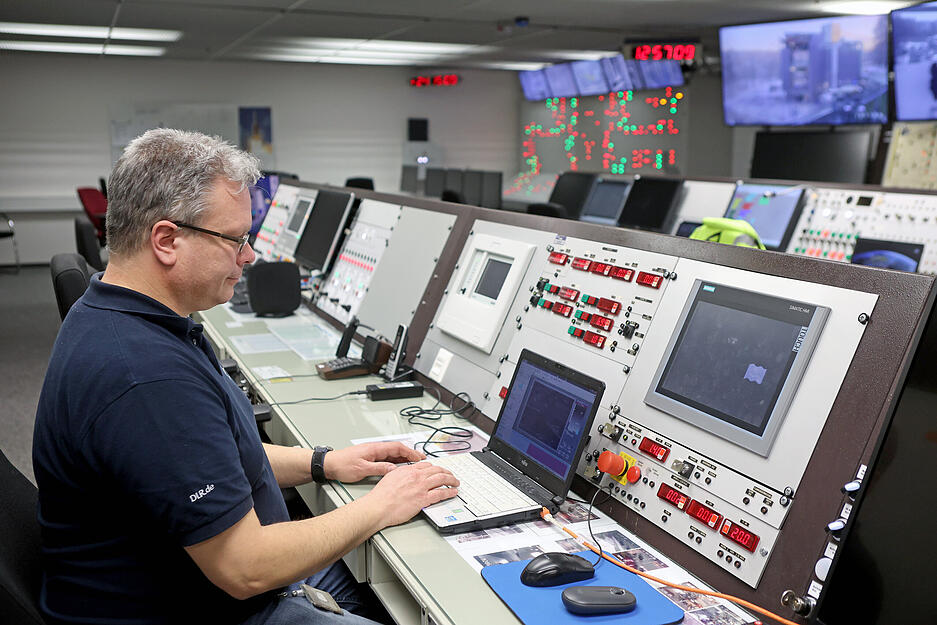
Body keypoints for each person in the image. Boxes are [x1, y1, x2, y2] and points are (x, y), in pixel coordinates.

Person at [32, 128, 460, 625]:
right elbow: (246, 568)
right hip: (213, 603)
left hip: (201, 574)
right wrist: (383, 504)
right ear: (167, 240)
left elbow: (210, 455)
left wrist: (324, 462)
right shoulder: (145, 377)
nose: (250, 256)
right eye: (235, 239)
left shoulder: (123, 315)